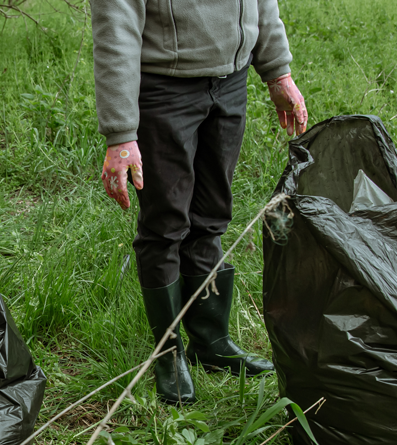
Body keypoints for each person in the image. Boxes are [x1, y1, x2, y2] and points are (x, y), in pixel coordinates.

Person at [90, 0, 308, 404]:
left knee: (211, 217)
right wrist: (121, 132)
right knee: (166, 225)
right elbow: (114, 29)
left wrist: (277, 70)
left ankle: (212, 342)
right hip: (163, 90)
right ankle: (168, 356)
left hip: (230, 84)